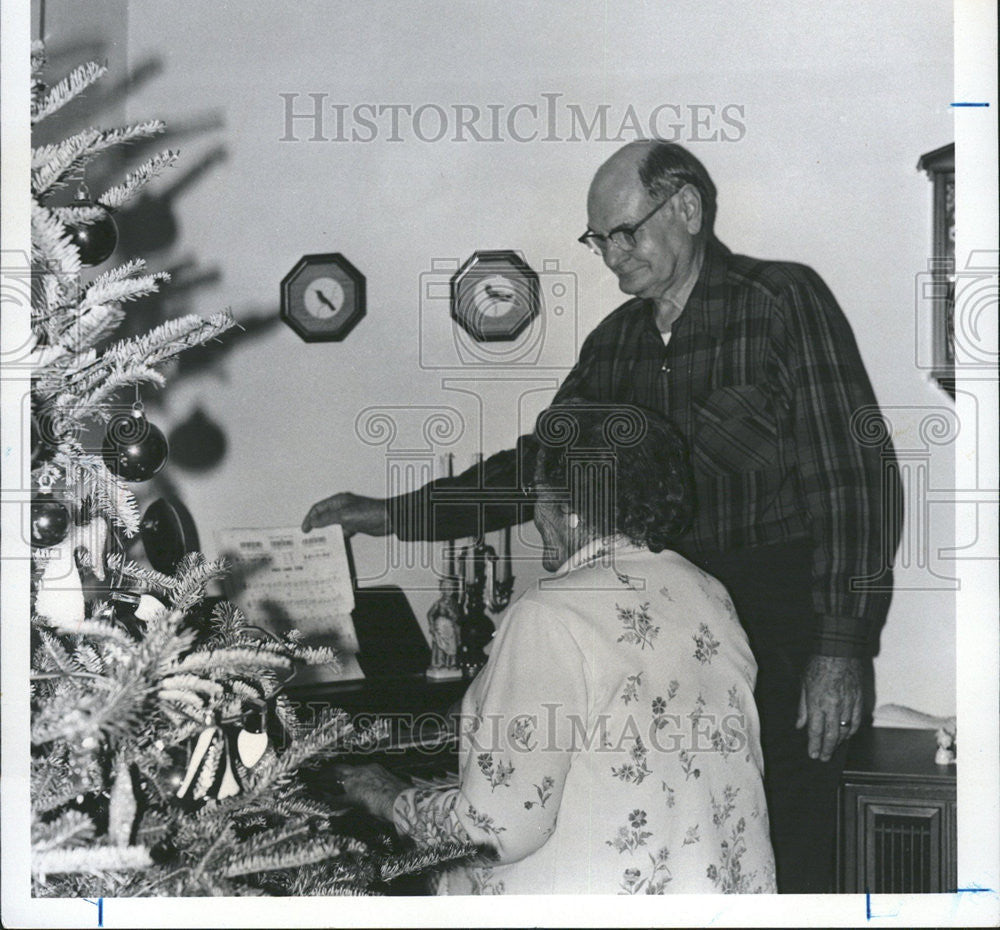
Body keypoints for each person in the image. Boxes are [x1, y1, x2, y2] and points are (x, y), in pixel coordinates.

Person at [304, 140, 901, 892]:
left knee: (784, 836)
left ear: (685, 207)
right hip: (651, 624)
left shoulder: (780, 302)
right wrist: (394, 516)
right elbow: (539, 469)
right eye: (599, 240)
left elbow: (854, 482)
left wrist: (841, 648)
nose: (613, 256)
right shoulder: (614, 343)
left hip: (777, 628)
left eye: (627, 232)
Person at [332, 403, 776, 895]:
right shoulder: (709, 593)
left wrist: (391, 797)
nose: (534, 516)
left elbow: (493, 833)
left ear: (571, 510)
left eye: (537, 497)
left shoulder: (549, 612)